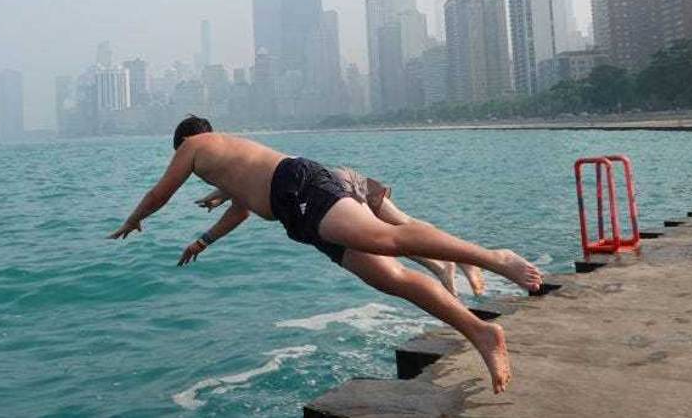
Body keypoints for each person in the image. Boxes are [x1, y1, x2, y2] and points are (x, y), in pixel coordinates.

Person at [108, 115, 544, 394]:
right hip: (297, 216)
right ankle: (480, 332)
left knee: (386, 238)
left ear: (185, 140)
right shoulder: (230, 161)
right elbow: (242, 209)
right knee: (393, 279)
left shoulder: (195, 145)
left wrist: (133, 219)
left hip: (301, 188)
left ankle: (495, 258)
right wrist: (203, 241)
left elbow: (160, 192)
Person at [194, 166, 486, 296]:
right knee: (397, 229)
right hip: (346, 180)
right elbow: (247, 189)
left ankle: (457, 262)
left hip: (342, 186)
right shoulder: (242, 166)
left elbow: (243, 199)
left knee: (393, 232)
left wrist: (215, 210)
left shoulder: (235, 172)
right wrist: (219, 197)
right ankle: (447, 264)